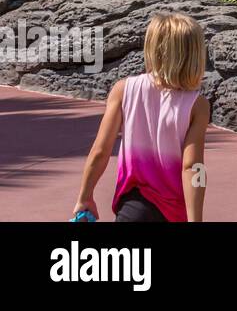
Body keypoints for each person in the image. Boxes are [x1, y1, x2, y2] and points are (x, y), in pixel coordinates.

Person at [72, 12, 211, 222]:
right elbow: (193, 167)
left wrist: (85, 196)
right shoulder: (197, 105)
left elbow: (100, 151)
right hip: (173, 212)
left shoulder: (124, 90)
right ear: (195, 54)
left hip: (132, 208)